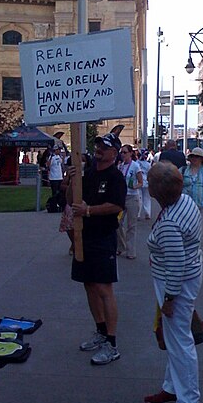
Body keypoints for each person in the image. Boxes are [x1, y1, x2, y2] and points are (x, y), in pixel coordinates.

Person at [144, 161, 203, 403]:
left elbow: (175, 263)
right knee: (175, 339)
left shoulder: (169, 222)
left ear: (156, 191)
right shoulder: (185, 202)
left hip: (176, 285)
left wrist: (169, 299)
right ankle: (172, 389)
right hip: (186, 278)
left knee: (180, 342)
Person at [68, 133, 126, 365]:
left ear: (114, 153)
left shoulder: (115, 177)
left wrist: (89, 211)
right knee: (89, 285)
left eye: (105, 147)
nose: (99, 149)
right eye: (98, 145)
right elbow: (72, 201)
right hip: (84, 238)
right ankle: (100, 332)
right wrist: (72, 181)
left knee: (104, 288)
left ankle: (111, 344)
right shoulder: (88, 174)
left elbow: (116, 205)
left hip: (103, 238)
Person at [117, 144, 143, 259]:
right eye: (121, 152)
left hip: (132, 197)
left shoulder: (135, 166)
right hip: (122, 197)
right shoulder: (120, 166)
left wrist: (135, 186)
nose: (123, 155)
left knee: (131, 225)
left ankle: (131, 251)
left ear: (130, 153)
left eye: (125, 152)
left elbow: (141, 182)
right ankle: (121, 246)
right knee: (117, 222)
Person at [138, 149, 152, 220]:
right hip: (146, 182)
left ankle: (138, 214)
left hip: (138, 182)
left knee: (139, 198)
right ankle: (147, 213)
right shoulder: (148, 164)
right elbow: (150, 174)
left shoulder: (136, 163)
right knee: (147, 198)